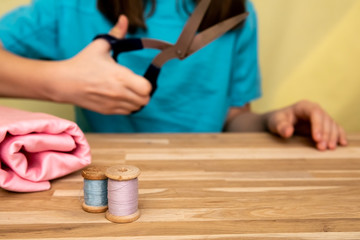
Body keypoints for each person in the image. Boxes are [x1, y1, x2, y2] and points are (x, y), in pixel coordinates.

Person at [0, 0, 347, 151]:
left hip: (205, 185)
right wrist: (59, 83)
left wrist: (276, 121)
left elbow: (233, 120)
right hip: (106, 177)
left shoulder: (236, 13)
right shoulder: (67, 6)